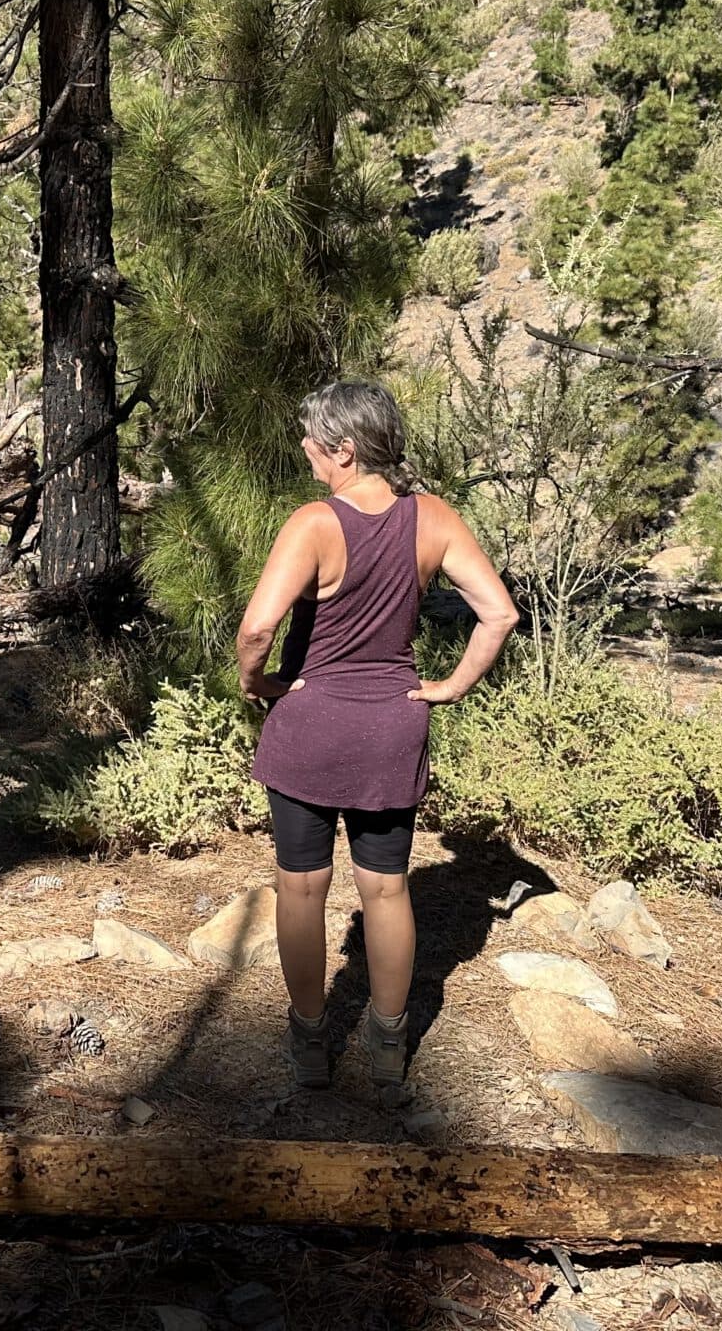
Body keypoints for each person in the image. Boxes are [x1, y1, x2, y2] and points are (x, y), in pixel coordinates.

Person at [236, 379, 520, 1091]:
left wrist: (258, 682)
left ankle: (309, 1043)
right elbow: (500, 614)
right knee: (386, 891)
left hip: (311, 724)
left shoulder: (314, 524)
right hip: (393, 726)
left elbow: (258, 627)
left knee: (300, 889)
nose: (304, 451)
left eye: (312, 442)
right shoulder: (434, 519)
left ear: (345, 450)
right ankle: (388, 1044)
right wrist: (451, 685)